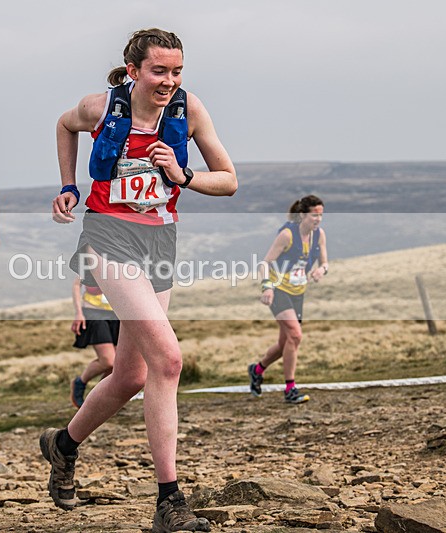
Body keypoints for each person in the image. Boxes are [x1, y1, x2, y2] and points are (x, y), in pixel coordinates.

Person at [45, 28, 237, 532]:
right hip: (109, 235)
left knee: (131, 376)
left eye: (176, 72)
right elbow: (64, 126)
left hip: (161, 241)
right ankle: (168, 501)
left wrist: (183, 174)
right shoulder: (100, 107)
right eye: (159, 71)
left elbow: (229, 179)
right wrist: (68, 184)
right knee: (168, 360)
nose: (169, 81)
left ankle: (63, 445)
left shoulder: (189, 111)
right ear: (133, 71)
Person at [248, 195, 328, 404]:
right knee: (295, 334)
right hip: (277, 290)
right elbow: (265, 263)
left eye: (321, 215)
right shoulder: (287, 235)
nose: (318, 219)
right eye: (314, 215)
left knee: (286, 342)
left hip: (298, 292)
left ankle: (257, 370)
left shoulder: (319, 235)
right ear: (302, 215)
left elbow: (325, 263)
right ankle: (290, 389)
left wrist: (321, 270)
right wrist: (267, 287)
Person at [70, 277, 119, 408]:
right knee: (108, 360)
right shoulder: (91, 258)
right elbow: (77, 284)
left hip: (118, 314)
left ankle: (100, 398)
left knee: (118, 364)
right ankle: (80, 382)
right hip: (94, 312)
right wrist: (78, 313)